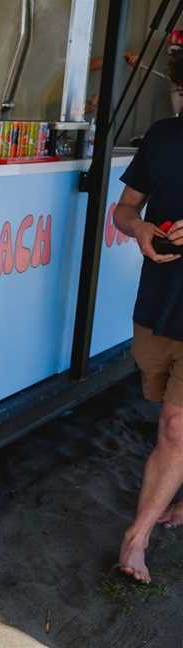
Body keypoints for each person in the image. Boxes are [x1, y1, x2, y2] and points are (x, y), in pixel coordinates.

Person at [113, 81, 183, 582]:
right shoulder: (163, 137)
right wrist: (138, 228)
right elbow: (124, 209)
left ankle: (135, 539)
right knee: (172, 419)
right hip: (160, 302)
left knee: (176, 426)